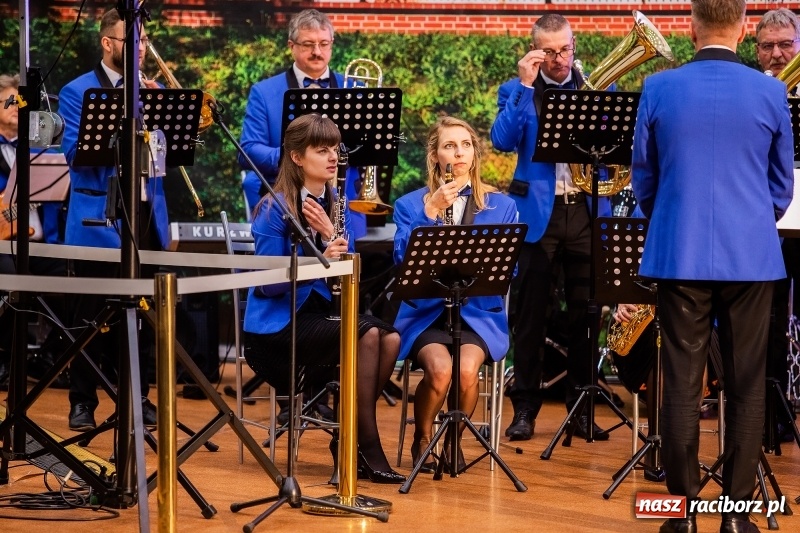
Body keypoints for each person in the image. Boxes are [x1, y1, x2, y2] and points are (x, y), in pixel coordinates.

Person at [631, 1, 794, 532]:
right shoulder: (772, 91)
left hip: (680, 251)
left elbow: (644, 180)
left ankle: (680, 517)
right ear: (746, 29)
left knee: (680, 382)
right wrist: (750, 220)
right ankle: (737, 517)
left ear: (691, 27)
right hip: (752, 255)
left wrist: (673, 219)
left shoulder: (658, 88)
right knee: (748, 382)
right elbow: (780, 186)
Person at [242, 113, 404, 484]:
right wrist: (319, 257)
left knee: (390, 336)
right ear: (297, 157)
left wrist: (331, 236)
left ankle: (351, 441)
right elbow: (268, 286)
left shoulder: (333, 200)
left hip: (317, 318)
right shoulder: (274, 208)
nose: (333, 157)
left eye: (335, 149)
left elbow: (344, 278)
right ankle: (364, 446)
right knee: (367, 335)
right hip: (275, 334)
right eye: (321, 150)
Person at [490, 13, 611, 441]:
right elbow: (502, 140)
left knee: (586, 316)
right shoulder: (516, 90)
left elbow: (617, 147)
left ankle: (581, 410)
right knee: (530, 317)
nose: (560, 59)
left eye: (566, 49)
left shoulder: (597, 89)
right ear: (536, 51)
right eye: (551, 52)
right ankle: (524, 409)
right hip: (537, 216)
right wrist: (525, 88)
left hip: (585, 212)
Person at [58, 8, 164, 431]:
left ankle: (137, 398)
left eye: (142, 40)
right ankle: (82, 401)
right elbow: (73, 155)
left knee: (139, 316)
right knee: (87, 316)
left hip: (144, 216)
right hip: (96, 219)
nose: (139, 48)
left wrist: (156, 122)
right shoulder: (76, 90)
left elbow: (163, 160)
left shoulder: (148, 88)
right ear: (107, 43)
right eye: (130, 40)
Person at [393, 116, 518, 472]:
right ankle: (423, 439)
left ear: (474, 155)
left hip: (477, 313)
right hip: (427, 313)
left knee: (466, 372)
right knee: (441, 370)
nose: (458, 152)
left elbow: (510, 268)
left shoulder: (502, 206)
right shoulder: (409, 204)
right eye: (449, 145)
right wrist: (429, 213)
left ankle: (455, 439)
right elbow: (402, 262)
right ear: (434, 155)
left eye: (465, 145)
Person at [238, 8, 365, 240]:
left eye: (324, 44)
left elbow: (370, 149)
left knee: (347, 262)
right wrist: (298, 157)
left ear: (332, 44)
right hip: (283, 195)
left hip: (343, 199)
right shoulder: (264, 93)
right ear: (291, 46)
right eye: (308, 44)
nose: (317, 51)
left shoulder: (356, 89)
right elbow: (248, 149)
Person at [1, 73, 68, 390]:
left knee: (76, 275)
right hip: (3, 245)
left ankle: (49, 357)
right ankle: (5, 359)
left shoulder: (45, 149)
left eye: (21, 102)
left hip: (43, 242)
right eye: (10, 101)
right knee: (7, 273)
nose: (17, 107)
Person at [755, 7, 800, 444]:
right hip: (767, 219)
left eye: (786, 44)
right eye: (767, 46)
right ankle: (772, 416)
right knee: (766, 321)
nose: (777, 54)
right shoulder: (752, 93)